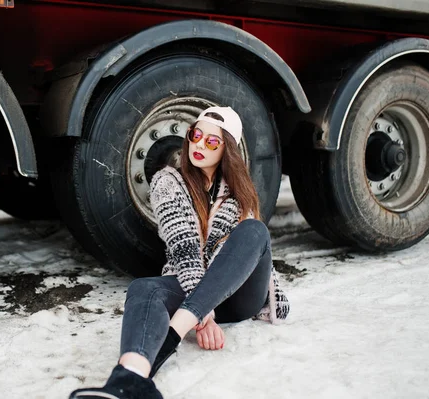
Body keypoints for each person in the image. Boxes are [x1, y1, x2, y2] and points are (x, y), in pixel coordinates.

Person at [69, 106, 290, 399]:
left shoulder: (241, 192)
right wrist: (205, 316)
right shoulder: (168, 181)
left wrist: (199, 314)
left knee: (254, 231)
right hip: (192, 285)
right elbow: (183, 247)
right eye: (196, 134)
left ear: (228, 149)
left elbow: (235, 255)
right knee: (144, 288)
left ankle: (175, 331)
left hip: (239, 295)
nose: (199, 144)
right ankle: (130, 379)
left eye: (212, 141)